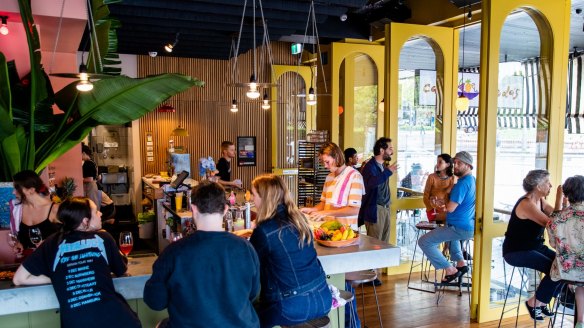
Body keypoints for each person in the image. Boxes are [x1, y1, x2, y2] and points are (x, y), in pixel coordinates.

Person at [143, 181, 260, 328]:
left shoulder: (173, 252)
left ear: (193, 208)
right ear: (225, 209)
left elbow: (155, 301)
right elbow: (253, 293)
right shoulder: (246, 248)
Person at [12, 197, 141, 328]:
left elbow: (19, 279)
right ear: (85, 221)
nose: (100, 214)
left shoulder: (50, 242)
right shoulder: (102, 237)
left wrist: (58, 278)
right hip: (116, 320)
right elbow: (122, 270)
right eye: (96, 211)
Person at [250, 174, 331, 327]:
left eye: (253, 195)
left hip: (291, 308)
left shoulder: (264, 231)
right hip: (323, 298)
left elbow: (250, 266)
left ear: (264, 198)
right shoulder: (298, 219)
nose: (252, 200)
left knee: (246, 317)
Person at [502, 169, 562, 322]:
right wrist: (559, 197)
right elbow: (550, 223)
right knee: (555, 268)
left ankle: (541, 302)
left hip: (534, 247)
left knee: (564, 265)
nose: (551, 185)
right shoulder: (527, 203)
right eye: (548, 183)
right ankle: (534, 303)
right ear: (538, 186)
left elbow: (558, 217)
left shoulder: (540, 201)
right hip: (516, 251)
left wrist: (561, 198)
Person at [418, 151, 475, 284]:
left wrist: (441, 205)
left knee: (424, 242)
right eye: (455, 163)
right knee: (450, 235)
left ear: (468, 165)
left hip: (459, 227)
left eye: (459, 163)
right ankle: (461, 263)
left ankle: (450, 270)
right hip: (462, 225)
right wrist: (441, 204)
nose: (455, 165)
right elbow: (454, 204)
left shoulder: (461, 184)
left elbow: (450, 208)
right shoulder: (471, 180)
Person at [547, 175, 584, 328]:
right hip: (581, 271)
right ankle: (580, 321)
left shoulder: (555, 218)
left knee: (581, 281)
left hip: (564, 271)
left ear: (566, 194)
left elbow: (553, 244)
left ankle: (580, 321)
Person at [300, 142, 365, 227]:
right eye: (323, 163)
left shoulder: (355, 176)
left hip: (346, 231)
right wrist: (311, 209)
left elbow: (354, 210)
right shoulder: (329, 177)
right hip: (328, 228)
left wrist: (325, 213)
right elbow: (324, 203)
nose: (325, 166)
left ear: (337, 157)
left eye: (327, 162)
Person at [10, 170, 61, 256]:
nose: (13, 192)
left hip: (52, 260)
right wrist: (20, 244)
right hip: (30, 261)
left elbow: (68, 236)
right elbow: (21, 237)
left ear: (31, 190)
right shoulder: (18, 209)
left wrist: (48, 243)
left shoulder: (54, 209)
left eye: (17, 188)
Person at [423, 153, 456, 223]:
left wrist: (445, 207)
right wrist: (432, 207)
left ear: (448, 165)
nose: (437, 164)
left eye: (440, 162)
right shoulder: (431, 177)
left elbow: (452, 197)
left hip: (446, 210)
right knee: (436, 231)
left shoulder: (452, 178)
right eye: (437, 162)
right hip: (432, 210)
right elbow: (425, 196)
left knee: (446, 231)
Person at [82, 144, 100, 209]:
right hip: (93, 186)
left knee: (92, 205)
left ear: (84, 153)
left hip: (90, 186)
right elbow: (97, 177)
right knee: (94, 204)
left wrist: (80, 179)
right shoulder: (92, 162)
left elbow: (90, 179)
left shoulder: (88, 163)